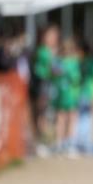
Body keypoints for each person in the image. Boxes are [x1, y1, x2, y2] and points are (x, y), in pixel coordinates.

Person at [31, 24, 60, 155]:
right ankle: (40, 142)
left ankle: (48, 141)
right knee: (41, 113)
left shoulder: (52, 51)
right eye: (51, 35)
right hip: (43, 85)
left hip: (51, 85)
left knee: (49, 114)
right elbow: (52, 69)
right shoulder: (44, 51)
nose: (54, 38)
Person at [53, 37, 82, 157]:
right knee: (71, 119)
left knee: (60, 119)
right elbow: (76, 78)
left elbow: (53, 76)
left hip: (59, 93)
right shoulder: (73, 63)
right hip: (71, 94)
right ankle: (70, 145)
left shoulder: (57, 62)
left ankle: (60, 143)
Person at [75, 41, 93, 155]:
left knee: (79, 118)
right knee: (87, 119)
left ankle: (79, 143)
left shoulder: (78, 62)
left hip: (79, 93)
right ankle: (85, 144)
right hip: (90, 93)